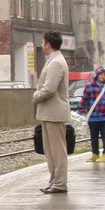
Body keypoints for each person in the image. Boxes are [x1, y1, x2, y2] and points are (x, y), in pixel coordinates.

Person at [33, 30, 71, 194]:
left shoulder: (56, 62)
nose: (42, 45)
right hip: (50, 113)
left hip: (54, 112)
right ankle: (54, 180)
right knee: (51, 151)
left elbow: (49, 88)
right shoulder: (54, 60)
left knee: (57, 151)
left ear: (48, 44)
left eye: (43, 42)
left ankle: (60, 183)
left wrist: (36, 96)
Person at [78, 65, 105, 162]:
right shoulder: (89, 86)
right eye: (101, 74)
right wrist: (80, 112)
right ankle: (95, 154)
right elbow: (84, 100)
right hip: (93, 117)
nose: (103, 76)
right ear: (96, 75)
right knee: (94, 137)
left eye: (104, 75)